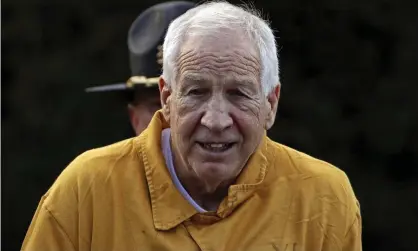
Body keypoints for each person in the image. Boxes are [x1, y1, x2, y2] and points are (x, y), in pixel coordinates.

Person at [22, 1, 362, 251]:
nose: (215, 120)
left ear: (270, 104)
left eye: (239, 93)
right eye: (196, 92)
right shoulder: (86, 191)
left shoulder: (324, 198)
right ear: (166, 98)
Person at [85, 1, 195, 136]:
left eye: (193, 98)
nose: (174, 120)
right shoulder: (100, 158)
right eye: (158, 106)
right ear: (134, 119)